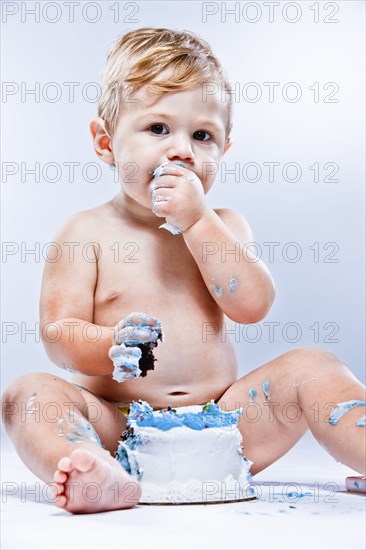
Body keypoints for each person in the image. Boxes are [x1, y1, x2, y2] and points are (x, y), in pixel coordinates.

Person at [2, 27, 365, 514]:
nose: (182, 150)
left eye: (202, 135)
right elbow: (57, 333)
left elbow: (252, 305)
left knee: (316, 368)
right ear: (106, 142)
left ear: (224, 151)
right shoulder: (84, 232)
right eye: (157, 129)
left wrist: (198, 221)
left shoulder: (225, 226)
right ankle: (88, 467)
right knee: (28, 394)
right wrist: (107, 346)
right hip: (120, 429)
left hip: (228, 428)